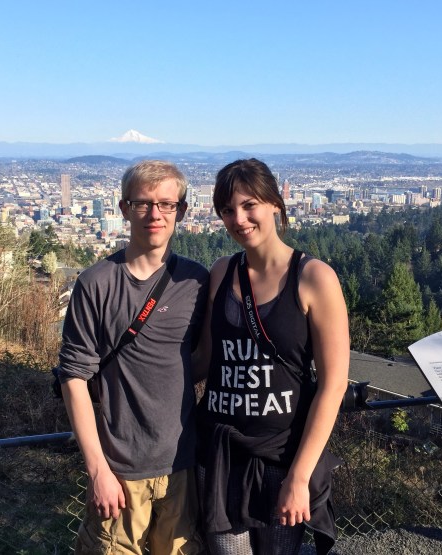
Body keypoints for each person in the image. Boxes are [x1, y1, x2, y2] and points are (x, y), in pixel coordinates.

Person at [195, 158, 350, 555]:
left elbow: (333, 385)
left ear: (275, 205)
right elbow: (206, 361)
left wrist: (299, 477)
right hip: (222, 453)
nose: (239, 219)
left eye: (249, 205)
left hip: (281, 457)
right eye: (228, 210)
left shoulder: (313, 277)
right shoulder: (221, 273)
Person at [58, 160, 209, 555]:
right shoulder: (96, 284)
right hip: (120, 470)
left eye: (166, 204)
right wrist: (98, 471)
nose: (155, 214)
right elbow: (72, 378)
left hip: (182, 467)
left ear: (182, 210)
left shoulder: (196, 282)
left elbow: (202, 359)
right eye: (142, 203)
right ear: (124, 209)